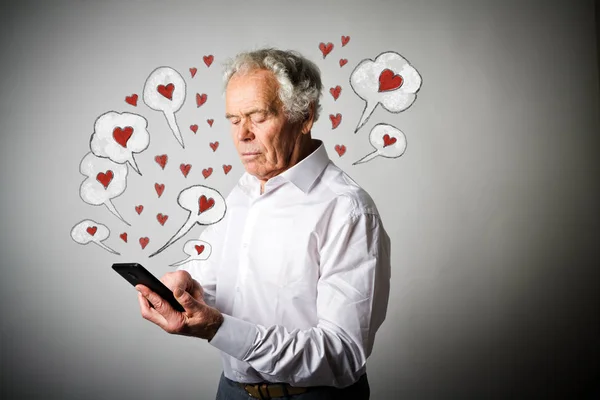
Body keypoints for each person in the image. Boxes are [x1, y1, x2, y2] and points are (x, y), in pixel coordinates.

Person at [135, 48, 391, 400]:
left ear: (305, 116)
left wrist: (218, 328)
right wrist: (184, 288)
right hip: (231, 392)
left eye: (257, 116)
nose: (242, 134)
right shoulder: (240, 194)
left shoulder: (347, 209)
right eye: (233, 119)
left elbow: (342, 353)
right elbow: (217, 285)